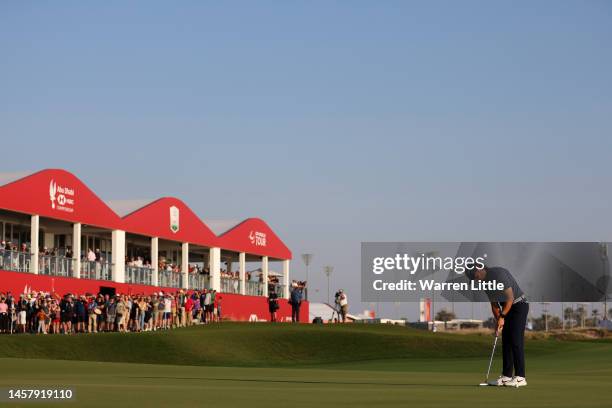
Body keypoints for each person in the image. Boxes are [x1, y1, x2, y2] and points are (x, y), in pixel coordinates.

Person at [467, 264, 529, 387]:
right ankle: (506, 377)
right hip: (507, 309)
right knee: (506, 342)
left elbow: (510, 298)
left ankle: (520, 377)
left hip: (518, 306)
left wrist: (503, 317)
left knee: (516, 341)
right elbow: (494, 304)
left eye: (475, 276)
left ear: (479, 269)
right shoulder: (485, 283)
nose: (476, 280)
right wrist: (498, 321)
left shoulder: (498, 274)